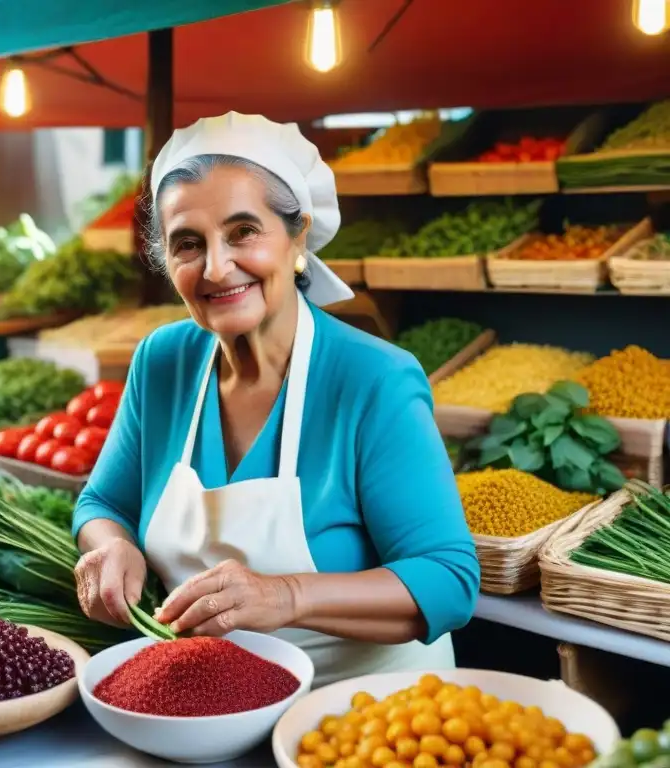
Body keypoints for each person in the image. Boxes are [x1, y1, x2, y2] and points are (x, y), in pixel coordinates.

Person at [71, 112, 479, 687]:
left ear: (298, 238)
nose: (217, 267)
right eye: (189, 244)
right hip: (211, 709)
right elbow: (103, 503)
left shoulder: (373, 379)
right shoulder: (163, 361)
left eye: (243, 232)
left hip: (367, 718)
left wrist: (285, 595)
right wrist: (112, 550)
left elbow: (448, 580)